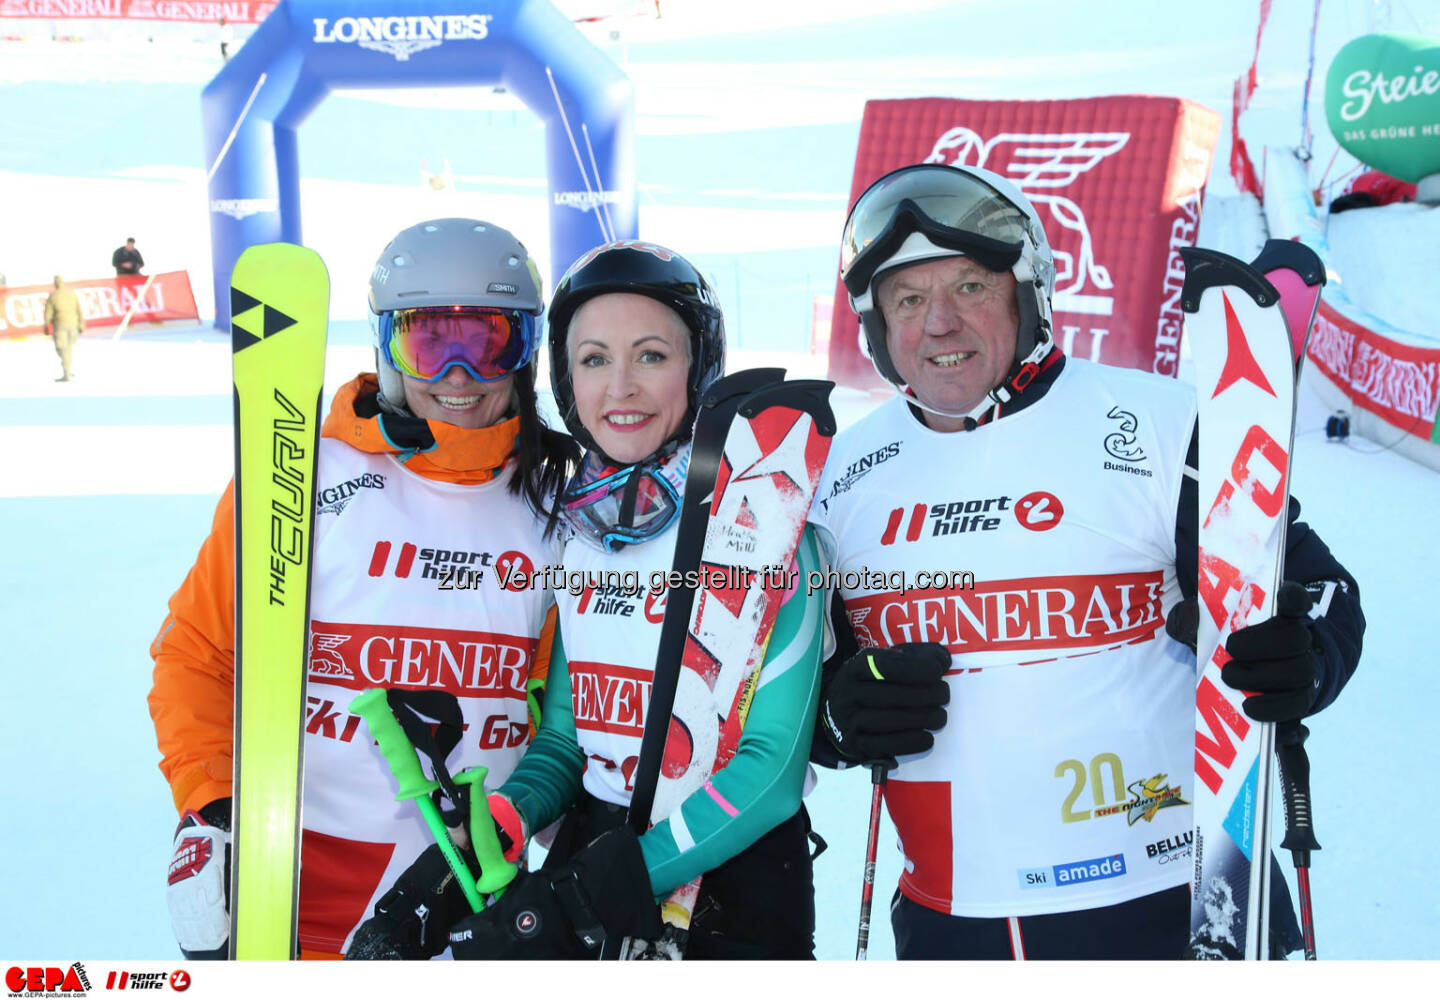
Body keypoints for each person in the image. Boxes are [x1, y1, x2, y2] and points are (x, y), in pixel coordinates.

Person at [809, 163, 1365, 960]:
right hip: (955, 918)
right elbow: (801, 683)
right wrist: (838, 714)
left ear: (1025, 293)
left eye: (969, 287)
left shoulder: (1158, 424)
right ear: (877, 325)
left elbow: (1318, 589)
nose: (938, 324)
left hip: (1168, 900)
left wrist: (1306, 652)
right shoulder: (843, 477)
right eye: (907, 298)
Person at [349, 241, 827, 961]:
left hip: (732, 884)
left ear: (699, 368)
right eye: (595, 359)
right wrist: (504, 819)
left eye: (652, 356)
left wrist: (605, 885)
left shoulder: (771, 531)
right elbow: (570, 739)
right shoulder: (579, 534)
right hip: (594, 853)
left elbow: (770, 774)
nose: (621, 387)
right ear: (567, 381)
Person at [149, 217, 576, 959]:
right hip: (301, 881)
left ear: (527, 352)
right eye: (430, 343)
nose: (457, 377)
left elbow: (572, 715)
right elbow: (198, 652)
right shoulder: (305, 479)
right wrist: (213, 806)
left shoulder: (560, 504)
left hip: (473, 890)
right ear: (387, 348)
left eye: (487, 343)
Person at [43, 275, 85, 382]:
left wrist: (46, 326)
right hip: (73, 325)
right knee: (68, 348)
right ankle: (67, 369)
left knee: (62, 348)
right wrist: (81, 323)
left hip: (60, 325)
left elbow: (48, 312)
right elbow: (79, 309)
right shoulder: (71, 293)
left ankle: (66, 372)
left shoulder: (54, 296)